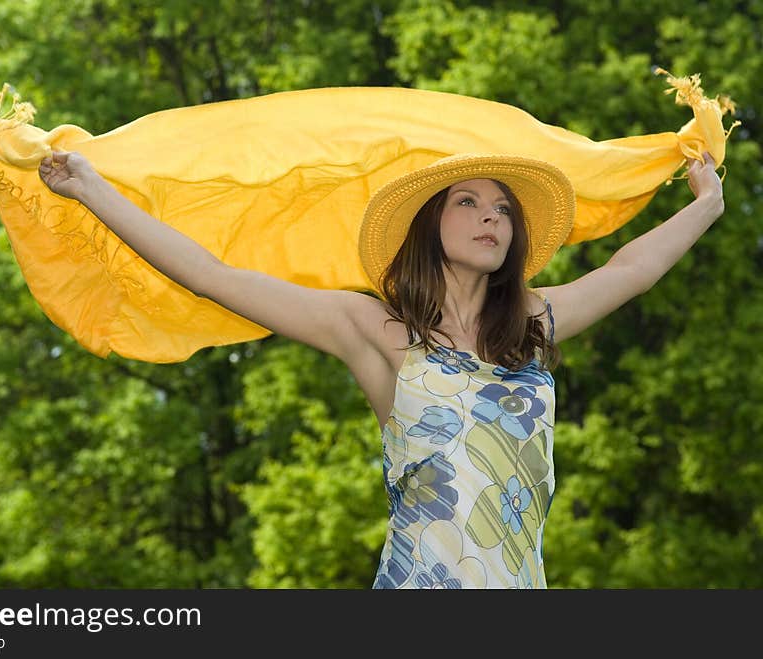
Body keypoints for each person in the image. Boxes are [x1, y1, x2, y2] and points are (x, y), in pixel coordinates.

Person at [38, 148, 724, 588]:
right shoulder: (376, 330)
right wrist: (91, 188)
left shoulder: (531, 325)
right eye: (469, 202)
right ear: (430, 224)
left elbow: (632, 269)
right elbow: (214, 276)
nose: (492, 217)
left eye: (504, 210)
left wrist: (707, 204)